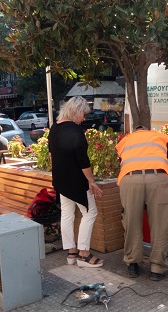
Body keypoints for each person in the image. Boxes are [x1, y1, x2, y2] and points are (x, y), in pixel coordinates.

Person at [48, 96, 104, 268]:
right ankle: (84, 255)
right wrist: (92, 181)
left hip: (61, 180)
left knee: (67, 214)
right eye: (83, 114)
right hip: (77, 181)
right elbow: (83, 161)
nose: (84, 119)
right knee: (90, 213)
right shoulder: (75, 130)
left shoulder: (54, 128)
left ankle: (71, 252)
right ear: (76, 111)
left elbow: (52, 156)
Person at [115, 125, 168, 279]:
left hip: (130, 179)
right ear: (148, 130)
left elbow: (121, 162)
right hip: (158, 178)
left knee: (131, 221)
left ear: (135, 131)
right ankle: (157, 269)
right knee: (160, 224)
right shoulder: (160, 138)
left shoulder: (125, 140)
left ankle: (133, 264)